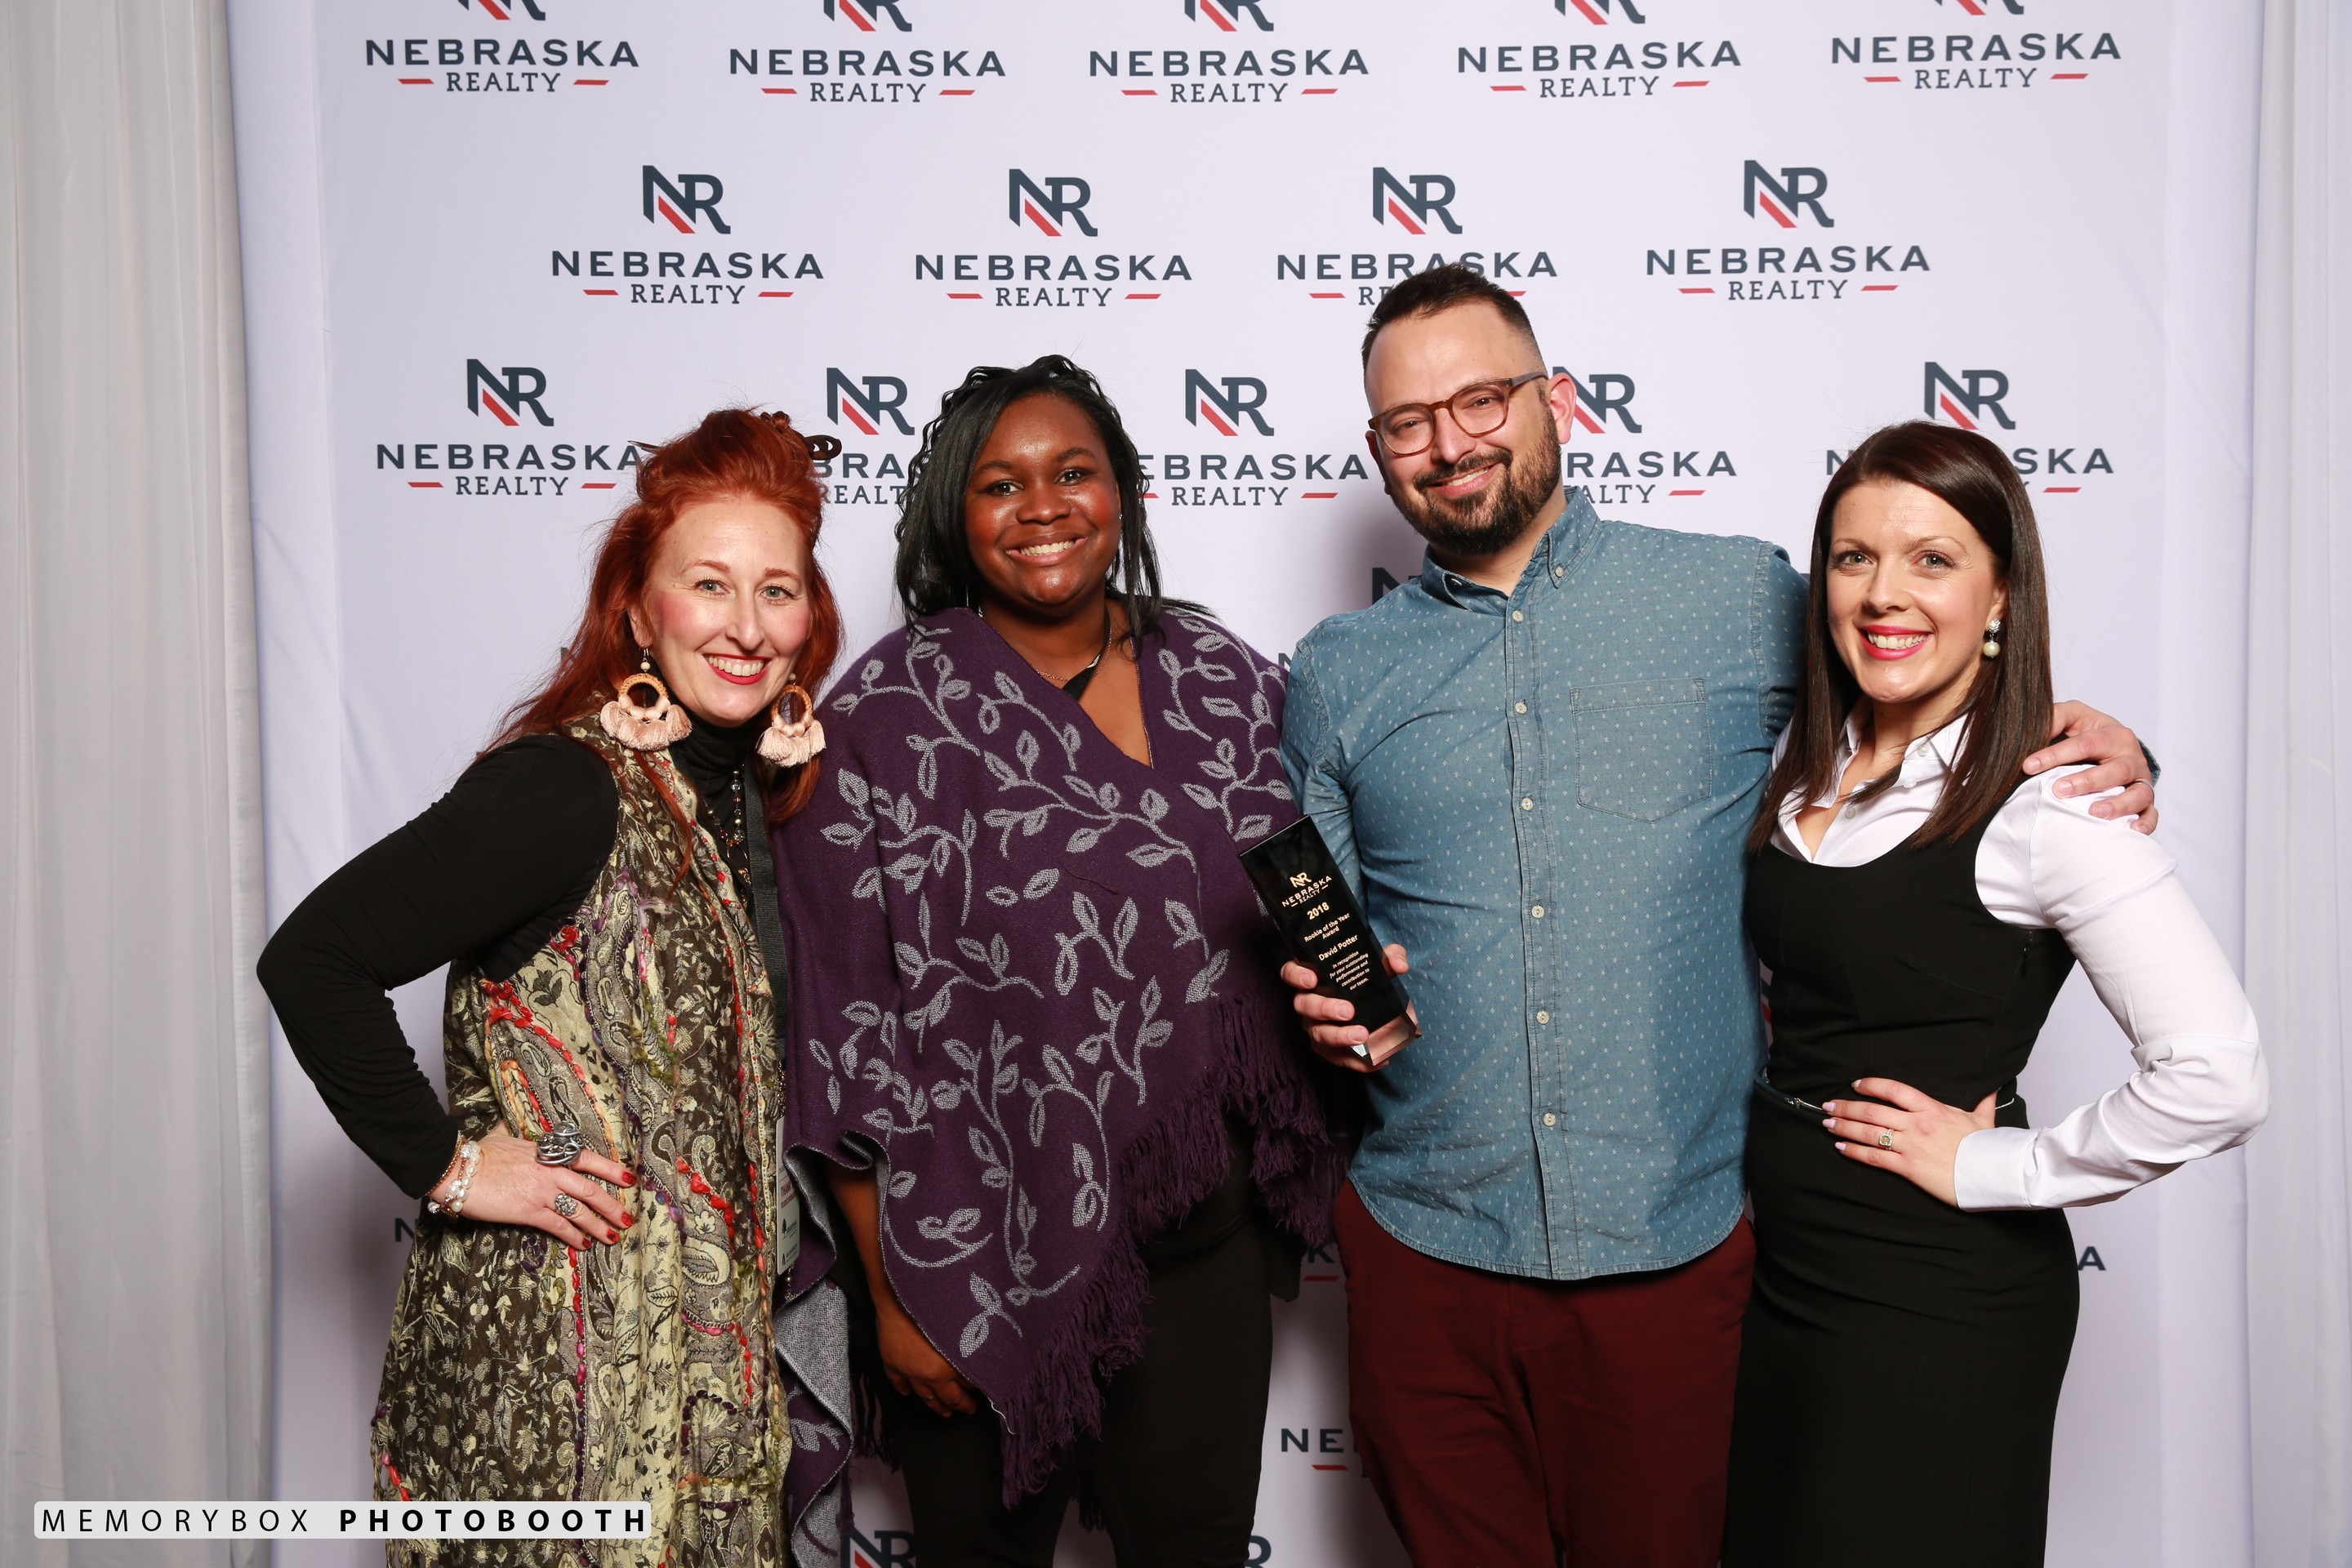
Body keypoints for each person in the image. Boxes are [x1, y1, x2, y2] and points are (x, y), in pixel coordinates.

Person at [1276, 265, 2162, 1568]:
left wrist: (2099, 739)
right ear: (1378, 448)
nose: (1449, 444)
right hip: (1425, 1250)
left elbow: (1921, 672)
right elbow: (1331, 936)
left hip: (1675, 1247)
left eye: (1480, 401)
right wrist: (1331, 1009)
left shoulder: (1740, 598)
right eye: (1408, 422)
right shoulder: (1337, 671)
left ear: (1555, 400)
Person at [257, 409, 856, 1568]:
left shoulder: (750, 805)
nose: (745, 627)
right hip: (550, 1373)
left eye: (776, 591)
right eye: (709, 585)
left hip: (706, 1374)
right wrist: (449, 1165)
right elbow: (314, 959)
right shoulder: (566, 788)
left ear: (808, 620)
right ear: (637, 609)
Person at [776, 357, 1347, 1568]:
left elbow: (1313, 890)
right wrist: (893, 1295)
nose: (1042, 505)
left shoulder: (1222, 675)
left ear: (1122, 494)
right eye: (1001, 483)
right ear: (956, 515)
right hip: (973, 1251)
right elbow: (843, 1029)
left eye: (1072, 472)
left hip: (1200, 1240)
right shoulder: (886, 716)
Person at [1720, 421, 2265, 1564]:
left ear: (2002, 593)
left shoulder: (2055, 805)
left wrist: (1999, 1168)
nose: (1885, 593)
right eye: (1855, 557)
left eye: (1933, 559)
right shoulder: (1807, 762)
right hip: (1791, 1273)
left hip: (1939, 1295)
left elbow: (2220, 1076)